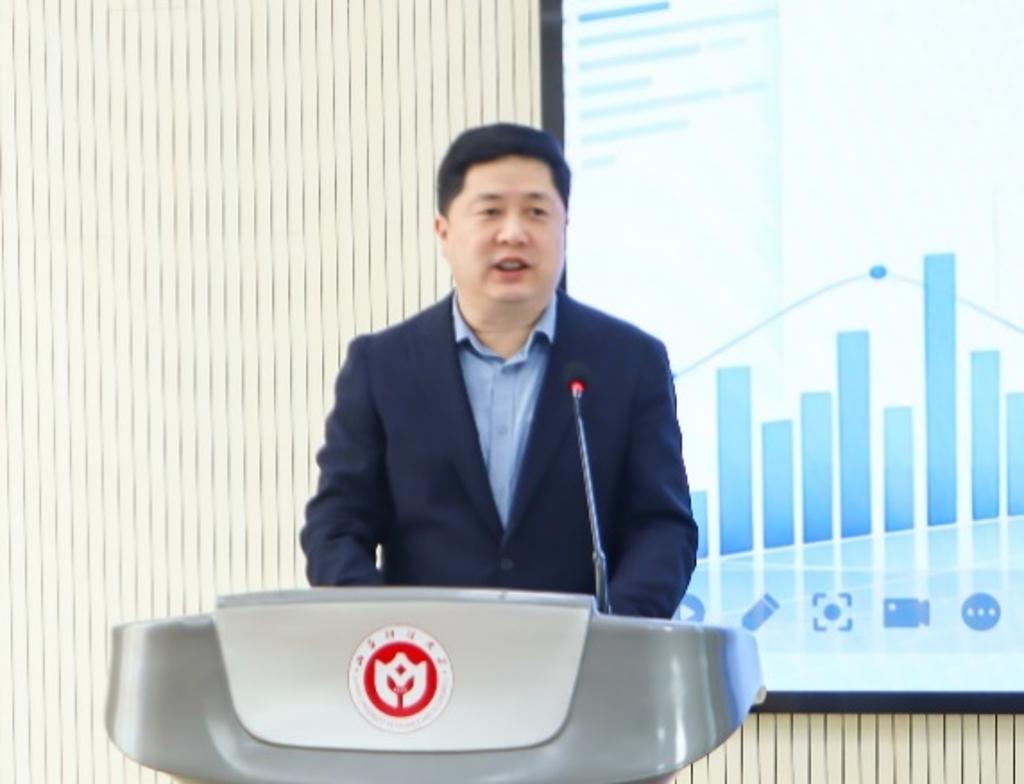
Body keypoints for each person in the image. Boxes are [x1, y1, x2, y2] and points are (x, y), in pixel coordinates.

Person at [301, 123, 697, 618]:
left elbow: (662, 528)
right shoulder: (382, 367)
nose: (513, 233)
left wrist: (614, 635)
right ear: (444, 232)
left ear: (565, 228)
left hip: (585, 658)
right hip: (428, 658)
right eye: (490, 211)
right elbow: (336, 528)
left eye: (536, 212)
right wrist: (390, 631)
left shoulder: (630, 362)